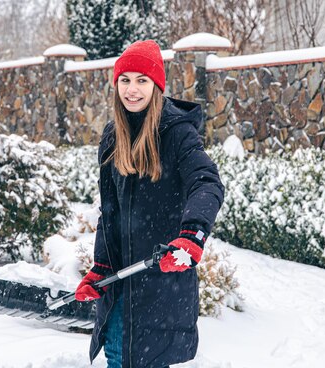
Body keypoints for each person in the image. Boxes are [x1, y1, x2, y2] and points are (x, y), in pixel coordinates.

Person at [74, 39, 225, 368]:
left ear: (156, 86)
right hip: (120, 288)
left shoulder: (178, 134)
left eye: (142, 80)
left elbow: (207, 183)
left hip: (161, 282)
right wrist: (101, 266)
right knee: (117, 355)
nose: (132, 89)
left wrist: (192, 235)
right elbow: (110, 212)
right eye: (125, 80)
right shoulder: (113, 136)